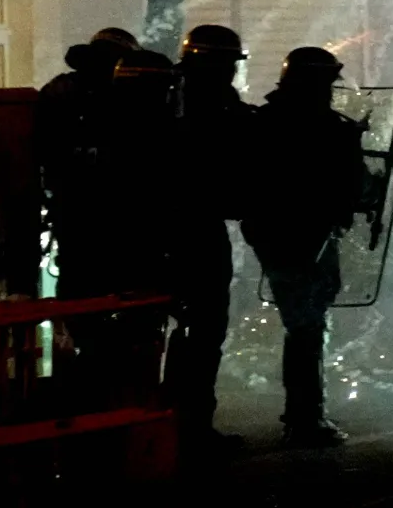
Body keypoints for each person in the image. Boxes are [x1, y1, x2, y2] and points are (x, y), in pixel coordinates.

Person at [241, 47, 366, 448]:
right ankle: (305, 417)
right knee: (307, 326)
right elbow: (350, 186)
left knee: (305, 324)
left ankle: (306, 413)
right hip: (304, 237)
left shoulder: (263, 122)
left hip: (277, 236)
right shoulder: (325, 129)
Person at [36, 27, 158, 407]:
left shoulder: (61, 91)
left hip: (74, 219)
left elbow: (39, 154)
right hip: (124, 227)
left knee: (80, 310)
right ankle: (117, 402)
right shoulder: (131, 97)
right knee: (125, 315)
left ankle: (78, 399)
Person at [164, 25, 254, 459]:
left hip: (153, 229)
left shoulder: (166, 97)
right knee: (203, 332)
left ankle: (157, 423)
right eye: (228, 63)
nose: (231, 73)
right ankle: (191, 427)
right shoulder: (211, 106)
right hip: (195, 230)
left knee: (163, 332)